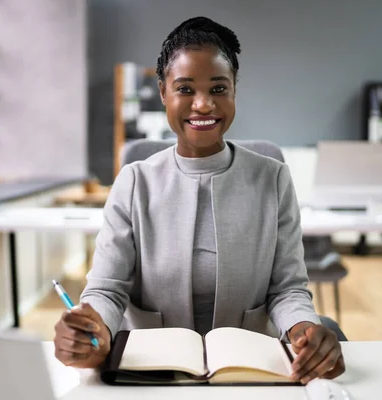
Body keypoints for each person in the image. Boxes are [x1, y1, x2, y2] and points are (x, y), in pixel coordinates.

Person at [54, 16, 345, 384]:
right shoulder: (133, 181)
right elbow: (107, 289)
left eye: (219, 89)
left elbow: (287, 288)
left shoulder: (273, 179)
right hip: (150, 373)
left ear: (235, 90)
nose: (204, 105)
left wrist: (304, 330)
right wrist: (91, 327)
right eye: (186, 89)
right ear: (163, 93)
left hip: (250, 371)